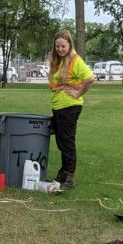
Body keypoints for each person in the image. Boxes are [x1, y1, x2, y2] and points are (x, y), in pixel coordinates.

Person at [48, 30, 94, 190]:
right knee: (61, 141)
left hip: (69, 107)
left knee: (67, 141)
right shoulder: (59, 60)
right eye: (58, 46)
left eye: (63, 46)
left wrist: (79, 93)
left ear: (69, 45)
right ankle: (63, 171)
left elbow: (90, 78)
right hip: (59, 106)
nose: (60, 49)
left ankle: (69, 176)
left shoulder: (75, 60)